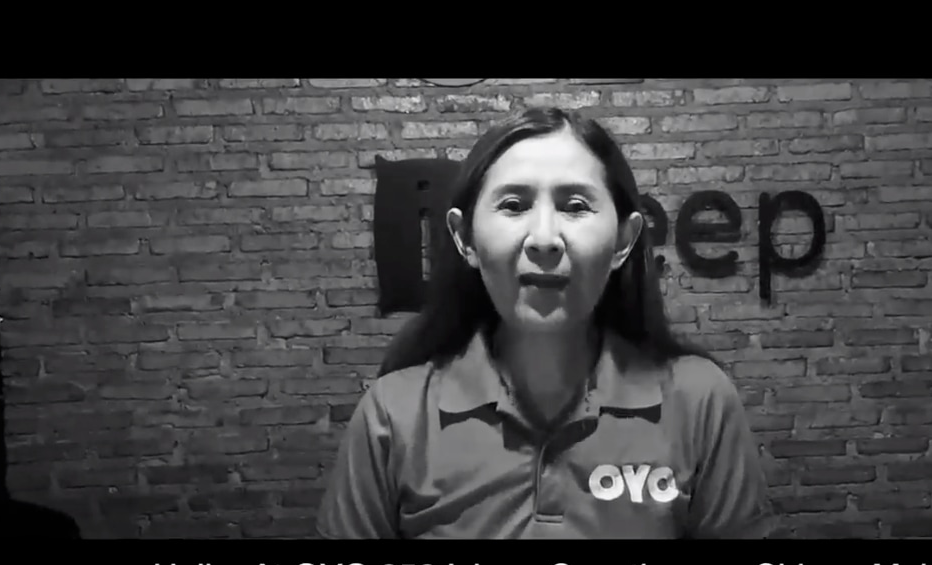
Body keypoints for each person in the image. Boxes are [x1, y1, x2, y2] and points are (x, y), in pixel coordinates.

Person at [317, 106, 774, 539]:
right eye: (514, 205)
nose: (544, 239)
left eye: (574, 205)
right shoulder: (393, 415)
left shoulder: (699, 401)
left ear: (624, 240)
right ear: (465, 237)